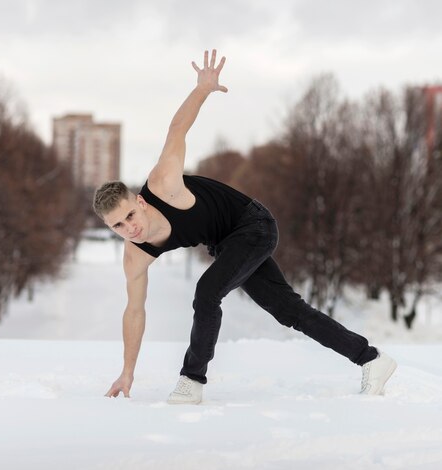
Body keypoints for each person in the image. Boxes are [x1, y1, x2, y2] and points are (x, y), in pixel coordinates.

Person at [93, 49, 397, 404]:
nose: (129, 228)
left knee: (207, 292)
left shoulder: (163, 184)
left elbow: (177, 129)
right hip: (228, 245)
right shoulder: (135, 256)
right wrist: (127, 371)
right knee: (289, 311)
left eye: (130, 215)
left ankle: (192, 381)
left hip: (254, 224)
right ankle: (372, 360)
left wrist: (202, 89)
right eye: (117, 226)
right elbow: (134, 311)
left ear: (139, 202)